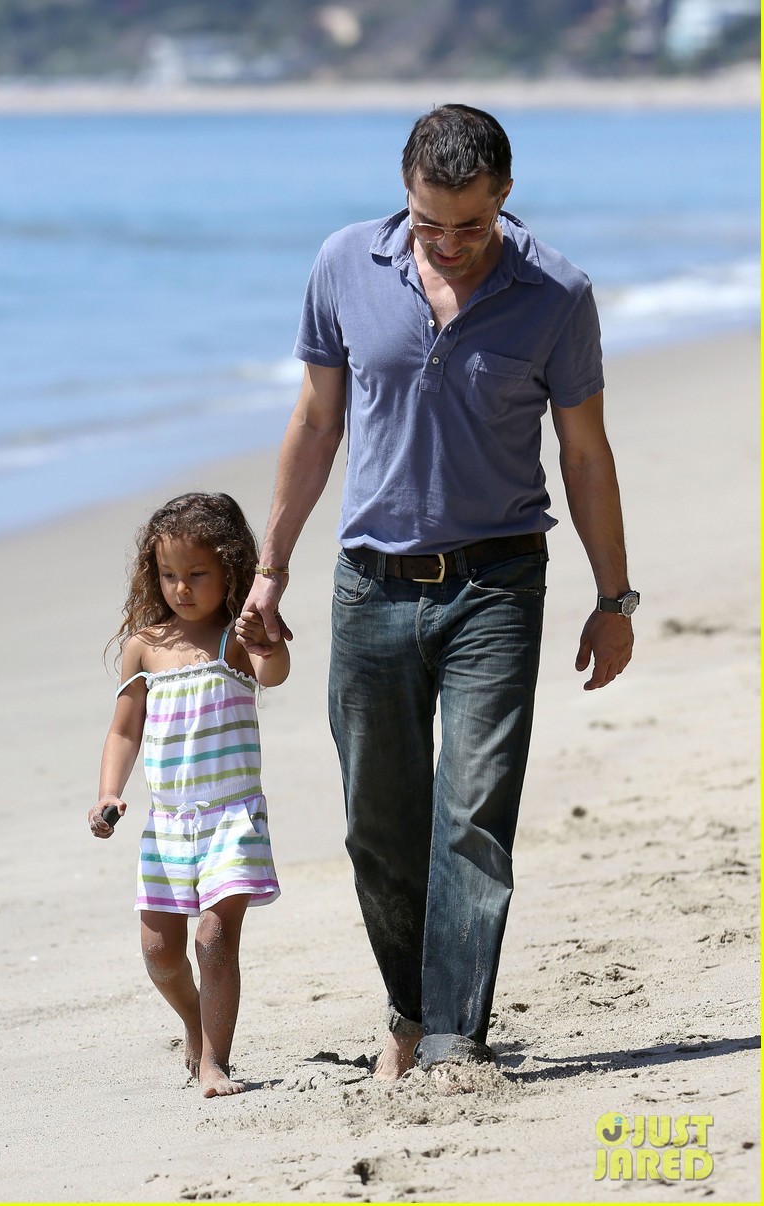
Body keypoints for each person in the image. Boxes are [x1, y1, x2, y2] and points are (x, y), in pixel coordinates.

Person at [238, 104, 638, 1080]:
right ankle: (407, 1013)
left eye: (471, 224)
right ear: (404, 197)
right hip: (368, 587)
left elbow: (582, 453)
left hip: (497, 585)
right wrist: (271, 563)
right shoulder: (343, 265)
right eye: (430, 225)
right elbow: (316, 421)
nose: (451, 246)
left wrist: (613, 596)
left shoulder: (556, 295)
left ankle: (454, 1036)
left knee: (471, 811)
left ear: (503, 195)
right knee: (377, 817)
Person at [89, 492, 289, 1097]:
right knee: (161, 954)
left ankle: (214, 1063)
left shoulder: (236, 636)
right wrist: (108, 795)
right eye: (169, 574)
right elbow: (124, 729)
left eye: (197, 573)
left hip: (232, 818)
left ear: (230, 567)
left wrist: (265, 637)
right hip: (168, 824)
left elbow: (275, 673)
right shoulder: (145, 646)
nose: (181, 587)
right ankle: (193, 1021)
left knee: (214, 938)